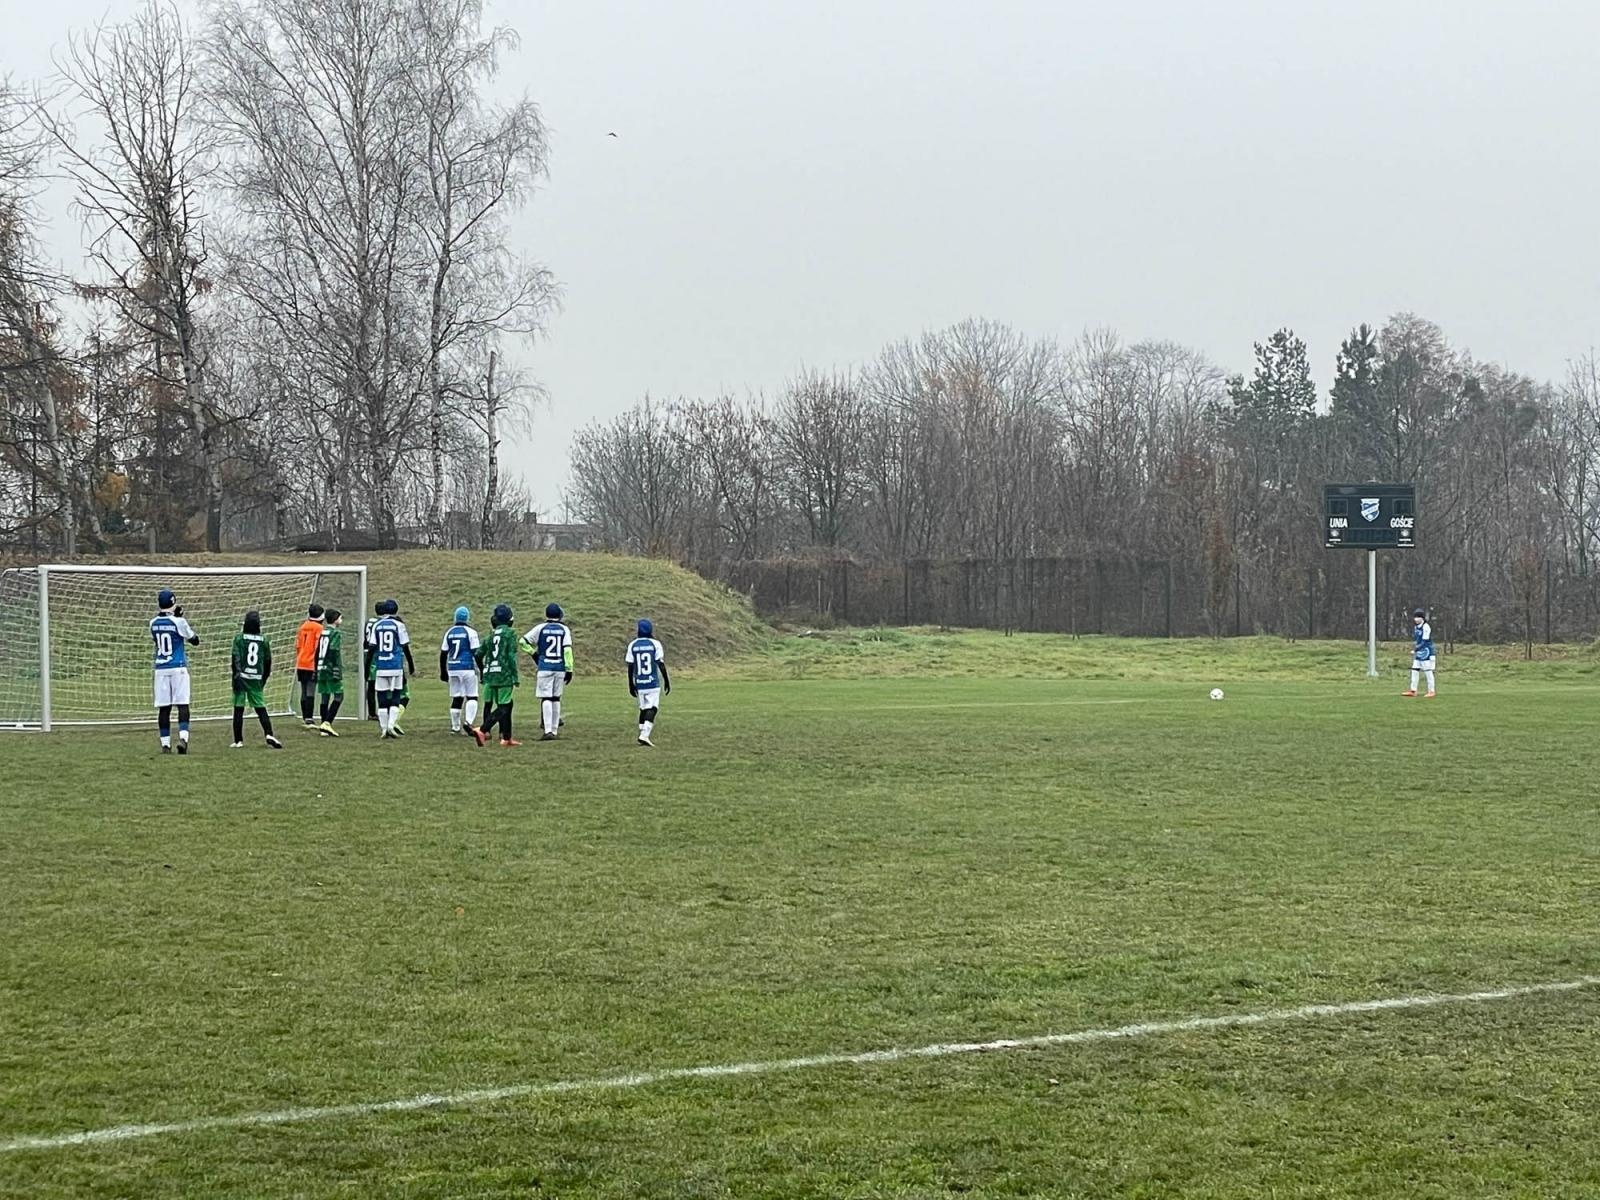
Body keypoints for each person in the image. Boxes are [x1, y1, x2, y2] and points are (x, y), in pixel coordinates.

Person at [151, 588, 201, 755]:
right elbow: (194, 640)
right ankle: (183, 739)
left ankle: (165, 744)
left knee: (164, 708)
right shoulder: (179, 622)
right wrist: (181, 618)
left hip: (160, 668)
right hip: (177, 666)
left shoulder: (152, 623)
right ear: (173, 602)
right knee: (182, 704)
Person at [231, 610, 284, 750]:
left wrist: (236, 676)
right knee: (261, 708)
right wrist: (264, 678)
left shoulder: (239, 638)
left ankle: (238, 740)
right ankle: (269, 733)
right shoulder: (264, 640)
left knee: (238, 709)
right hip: (256, 678)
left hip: (241, 677)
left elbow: (235, 658)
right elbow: (268, 662)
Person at [521, 602, 573, 741]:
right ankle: (555, 731)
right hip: (559, 667)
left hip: (544, 667)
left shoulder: (540, 628)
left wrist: (534, 654)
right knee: (556, 698)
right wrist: (569, 669)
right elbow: (567, 650)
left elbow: (523, 642)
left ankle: (547, 730)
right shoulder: (564, 629)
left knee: (546, 698)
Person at [368, 598, 415, 740]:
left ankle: (383, 729)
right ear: (396, 610)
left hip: (381, 665)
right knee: (396, 696)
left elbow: (371, 649)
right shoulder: (398, 625)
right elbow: (405, 647)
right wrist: (411, 665)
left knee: (382, 698)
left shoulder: (377, 625)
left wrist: (366, 668)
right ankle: (391, 724)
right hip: (395, 665)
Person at [440, 605, 487, 746]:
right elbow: (476, 654)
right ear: (467, 617)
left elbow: (443, 653)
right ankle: (468, 722)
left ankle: (455, 727)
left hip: (452, 667)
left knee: (457, 697)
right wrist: (482, 670)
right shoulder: (470, 632)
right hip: (466, 667)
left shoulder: (449, 632)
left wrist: (443, 671)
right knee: (472, 696)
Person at [477, 603, 521, 746]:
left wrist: (484, 669)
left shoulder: (491, 634)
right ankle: (483, 729)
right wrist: (514, 675)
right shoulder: (510, 633)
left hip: (491, 673)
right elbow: (510, 656)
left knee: (507, 703)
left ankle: (506, 737)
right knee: (504, 706)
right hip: (504, 673)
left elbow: (478, 654)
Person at [624, 618, 671, 747]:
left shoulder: (633, 644)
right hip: (652, 681)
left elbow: (630, 666)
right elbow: (660, 663)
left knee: (643, 708)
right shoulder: (655, 644)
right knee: (653, 708)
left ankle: (641, 730)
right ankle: (644, 735)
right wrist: (666, 680)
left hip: (640, 682)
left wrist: (631, 683)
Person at [294, 603, 325, 727]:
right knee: (310, 690)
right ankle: (309, 718)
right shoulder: (318, 628)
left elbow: (297, 645)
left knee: (303, 689)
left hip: (301, 661)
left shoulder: (303, 626)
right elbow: (318, 646)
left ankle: (304, 716)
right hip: (312, 662)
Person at [316, 609, 345, 736]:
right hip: (330, 668)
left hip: (321, 667)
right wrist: (336, 668)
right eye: (340, 617)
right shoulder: (335, 633)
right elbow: (333, 650)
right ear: (335, 619)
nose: (341, 620)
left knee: (325, 695)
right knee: (339, 695)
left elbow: (317, 650)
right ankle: (327, 722)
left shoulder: (323, 632)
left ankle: (323, 726)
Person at [1403, 607, 1437, 698]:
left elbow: (1425, 641)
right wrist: (1416, 648)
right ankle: (1413, 690)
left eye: (1418, 617)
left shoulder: (1426, 627)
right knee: (1415, 670)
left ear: (1422, 618)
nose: (1416, 619)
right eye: (1415, 617)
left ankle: (1431, 690)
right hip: (1419, 652)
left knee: (1428, 671)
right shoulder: (1416, 627)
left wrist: (1416, 649)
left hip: (1426, 651)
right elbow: (1417, 640)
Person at [362, 602, 382, 720]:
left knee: (371, 684)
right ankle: (375, 712)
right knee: (377, 684)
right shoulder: (381, 623)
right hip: (375, 653)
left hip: (366, 652)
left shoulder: (369, 621)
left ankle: (371, 711)